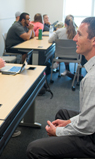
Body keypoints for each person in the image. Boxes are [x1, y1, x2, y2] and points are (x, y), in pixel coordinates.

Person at [27, 17, 95, 159]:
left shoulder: (92, 79)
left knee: (34, 149)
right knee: (63, 114)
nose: (75, 38)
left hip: (92, 139)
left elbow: (88, 126)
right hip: (91, 126)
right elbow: (89, 117)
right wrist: (69, 123)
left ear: (93, 40)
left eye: (80, 35)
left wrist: (59, 132)